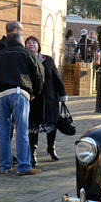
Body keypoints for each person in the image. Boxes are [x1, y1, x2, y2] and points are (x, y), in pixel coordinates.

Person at [0, 32, 44, 176]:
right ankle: (23, 167)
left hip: (1, 95)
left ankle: (4, 166)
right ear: (21, 41)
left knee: (3, 131)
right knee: (22, 130)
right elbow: (38, 73)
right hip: (19, 92)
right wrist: (35, 91)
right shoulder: (25, 54)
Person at [25, 36, 68, 167]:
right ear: (25, 46)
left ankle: (51, 148)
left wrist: (62, 94)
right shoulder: (24, 60)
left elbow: (56, 77)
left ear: (38, 46)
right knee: (33, 127)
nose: (31, 44)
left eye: (34, 42)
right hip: (34, 100)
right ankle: (32, 153)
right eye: (28, 42)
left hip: (50, 99)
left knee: (52, 125)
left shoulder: (47, 59)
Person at [0, 21, 24, 166]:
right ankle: (2, 157)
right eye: (21, 32)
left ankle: (6, 157)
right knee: (4, 127)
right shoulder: (1, 46)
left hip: (7, 91)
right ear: (15, 31)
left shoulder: (5, 45)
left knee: (8, 126)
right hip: (4, 92)